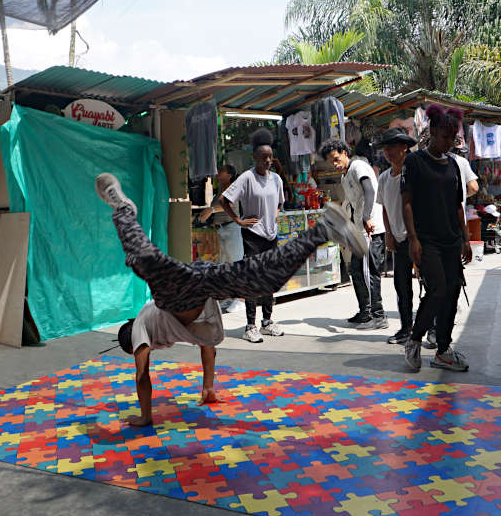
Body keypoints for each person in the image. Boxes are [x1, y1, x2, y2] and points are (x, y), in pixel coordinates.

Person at [95, 172, 361, 426]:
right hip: (202, 284)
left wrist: (145, 416)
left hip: (176, 294)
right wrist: (208, 387)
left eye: (136, 350)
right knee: (263, 279)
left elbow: (142, 376)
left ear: (132, 342)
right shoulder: (173, 329)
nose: (143, 352)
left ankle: (123, 209)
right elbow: (207, 345)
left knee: (145, 259)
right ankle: (324, 229)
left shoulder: (141, 327)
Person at [401, 104, 472, 373]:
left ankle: (443, 349)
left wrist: (465, 239)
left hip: (451, 239)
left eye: (453, 138)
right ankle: (414, 339)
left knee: (453, 292)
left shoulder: (454, 165)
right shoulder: (414, 162)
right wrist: (413, 239)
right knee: (438, 289)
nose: (449, 143)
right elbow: (406, 203)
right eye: (444, 137)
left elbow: (457, 206)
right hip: (427, 239)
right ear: (431, 131)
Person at [218, 129, 285, 343]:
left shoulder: (276, 179)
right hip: (253, 236)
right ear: (255, 158)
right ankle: (250, 325)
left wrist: (272, 218)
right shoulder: (247, 178)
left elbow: (281, 203)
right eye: (263, 157)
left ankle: (267, 322)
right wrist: (238, 220)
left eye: (270, 157)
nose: (268, 160)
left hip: (270, 236)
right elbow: (224, 200)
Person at [319, 136, 387, 330]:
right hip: (358, 230)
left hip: (371, 228)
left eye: (336, 158)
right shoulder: (345, 176)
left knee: (369, 272)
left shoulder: (358, 167)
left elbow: (369, 190)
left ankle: (379, 315)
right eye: (331, 161)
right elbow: (350, 205)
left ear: (344, 153)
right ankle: (365, 312)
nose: (334, 164)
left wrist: (367, 218)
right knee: (356, 270)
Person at [376, 127, 417, 345]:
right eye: (385, 148)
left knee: (429, 285)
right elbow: (384, 208)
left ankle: (431, 328)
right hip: (399, 240)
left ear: (404, 147)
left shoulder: (415, 172)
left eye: (392, 147)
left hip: (418, 238)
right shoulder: (384, 178)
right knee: (402, 287)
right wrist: (389, 235)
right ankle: (406, 328)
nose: (388, 152)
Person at [199, 164, 243, 310]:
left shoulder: (232, 188)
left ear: (230, 175)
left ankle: (240, 300)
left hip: (231, 228)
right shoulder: (220, 190)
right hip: (222, 230)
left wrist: (211, 210)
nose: (218, 172)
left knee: (235, 264)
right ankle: (229, 297)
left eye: (222, 170)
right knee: (225, 265)